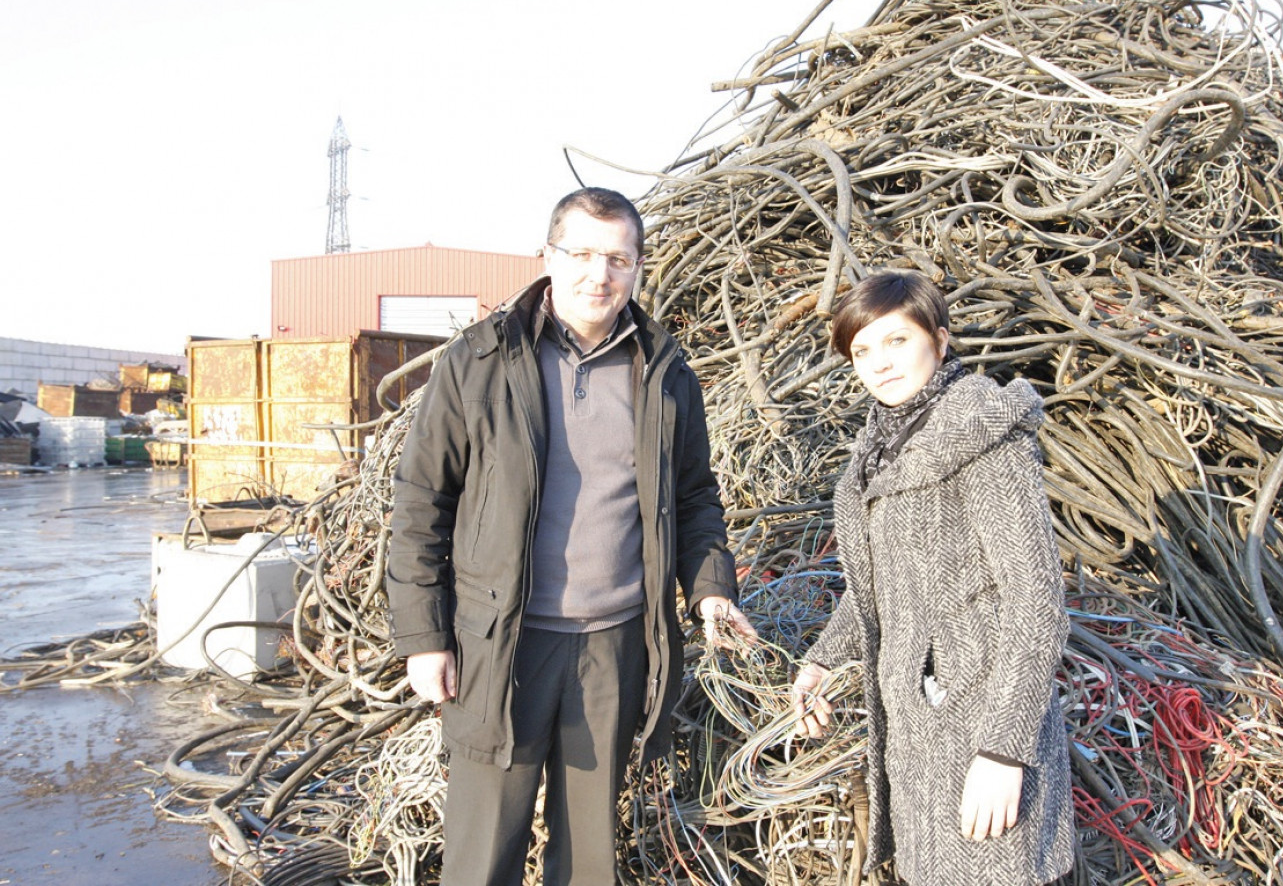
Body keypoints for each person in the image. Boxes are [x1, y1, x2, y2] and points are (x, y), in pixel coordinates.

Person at [384, 187, 756, 886]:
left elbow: (695, 495)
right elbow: (421, 503)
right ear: (547, 257)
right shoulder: (480, 360)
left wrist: (708, 588)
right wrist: (422, 638)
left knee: (589, 861)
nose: (599, 274)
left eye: (618, 258)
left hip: (613, 648)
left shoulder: (666, 373)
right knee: (481, 854)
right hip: (499, 646)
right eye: (581, 254)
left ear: (639, 267)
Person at [791, 269, 1074, 884]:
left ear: (940, 341)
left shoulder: (982, 437)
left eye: (897, 341)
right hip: (916, 733)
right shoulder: (878, 452)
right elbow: (881, 590)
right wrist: (821, 660)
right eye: (862, 350)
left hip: (984, 728)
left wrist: (1005, 750)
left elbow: (1037, 601)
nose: (878, 364)